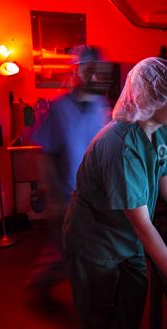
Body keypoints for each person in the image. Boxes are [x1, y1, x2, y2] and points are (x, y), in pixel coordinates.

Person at [62, 57, 167, 329]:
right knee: (99, 314)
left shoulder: (158, 131)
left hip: (129, 238)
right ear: (153, 98)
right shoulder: (120, 148)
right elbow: (140, 221)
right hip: (96, 240)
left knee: (131, 306)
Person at [27, 45, 110, 309]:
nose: (91, 74)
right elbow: (46, 155)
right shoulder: (59, 108)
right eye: (84, 68)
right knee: (66, 255)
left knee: (74, 254)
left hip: (91, 198)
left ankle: (47, 290)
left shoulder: (101, 105)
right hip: (65, 197)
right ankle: (38, 289)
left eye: (94, 68)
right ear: (76, 71)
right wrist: (53, 198)